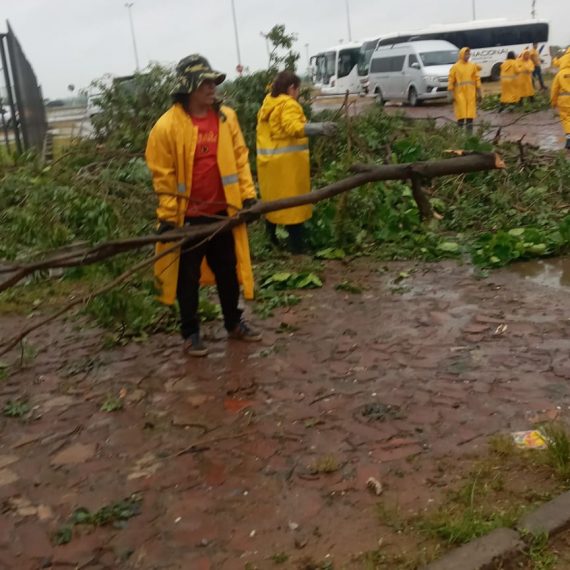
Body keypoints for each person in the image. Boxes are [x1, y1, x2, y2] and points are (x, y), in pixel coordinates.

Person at [146, 54, 262, 357]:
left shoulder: (226, 118)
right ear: (189, 87)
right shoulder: (166, 127)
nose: (212, 87)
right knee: (187, 278)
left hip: (223, 213)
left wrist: (247, 196)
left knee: (227, 271)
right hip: (188, 219)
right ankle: (191, 334)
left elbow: (240, 159)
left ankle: (233, 323)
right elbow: (163, 177)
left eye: (213, 82)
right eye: (205, 83)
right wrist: (169, 218)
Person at [256, 70, 336, 253]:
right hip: (288, 168)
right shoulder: (288, 104)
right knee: (294, 205)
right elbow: (293, 127)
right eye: (298, 90)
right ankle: (297, 248)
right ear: (291, 88)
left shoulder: (268, 104)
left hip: (269, 165)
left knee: (272, 203)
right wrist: (320, 128)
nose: (298, 94)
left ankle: (271, 241)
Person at [447, 47, 482, 135]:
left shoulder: (472, 66)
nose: (467, 56)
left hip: (470, 94)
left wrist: (479, 93)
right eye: (466, 54)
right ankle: (459, 134)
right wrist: (450, 94)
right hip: (460, 94)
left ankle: (469, 135)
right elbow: (451, 80)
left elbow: (477, 79)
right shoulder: (455, 67)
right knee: (461, 115)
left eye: (468, 54)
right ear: (461, 55)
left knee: (470, 115)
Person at [551, 55, 570, 151]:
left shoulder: (559, 74)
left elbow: (554, 89)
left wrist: (553, 102)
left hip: (564, 101)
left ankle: (569, 141)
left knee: (566, 119)